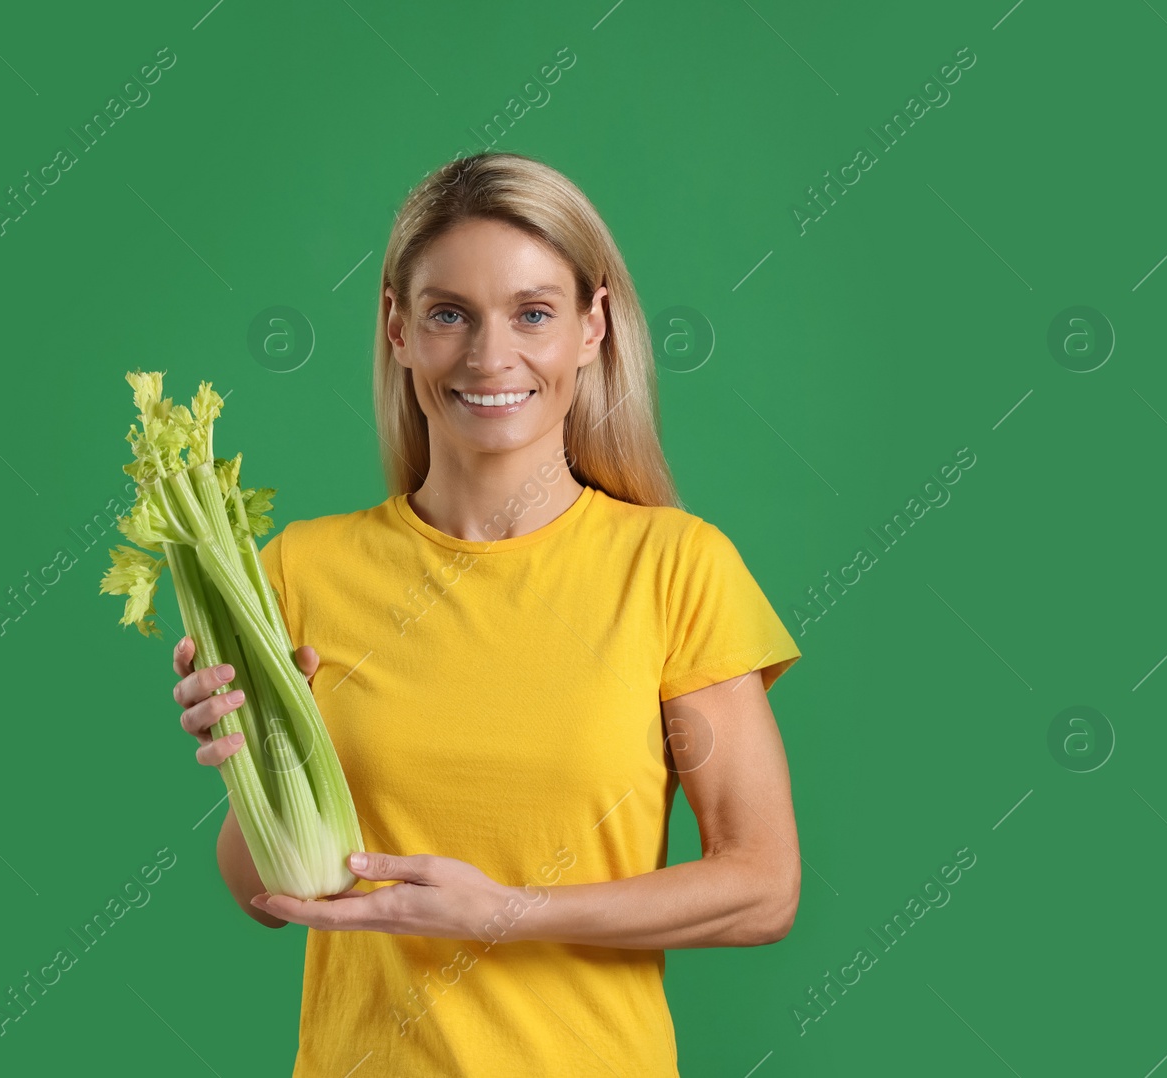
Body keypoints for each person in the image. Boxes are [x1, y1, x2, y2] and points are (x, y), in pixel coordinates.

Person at [170, 151, 804, 1077]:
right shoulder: (301, 568)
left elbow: (762, 889)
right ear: (397, 326)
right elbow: (271, 898)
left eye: (533, 314)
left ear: (592, 327)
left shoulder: (674, 568)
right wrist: (254, 763)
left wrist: (506, 913)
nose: (488, 357)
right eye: (448, 315)